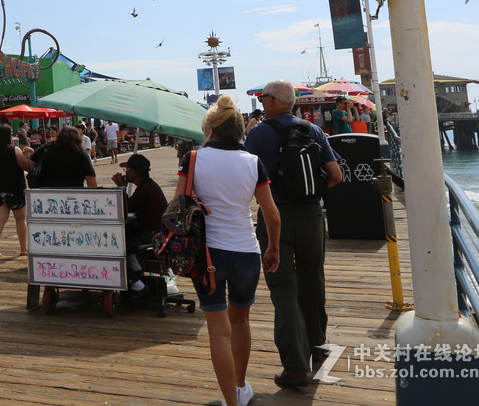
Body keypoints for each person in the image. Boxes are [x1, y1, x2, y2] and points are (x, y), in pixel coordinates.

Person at [182, 94, 281, 406]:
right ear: (241, 132)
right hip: (245, 251)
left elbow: (178, 206)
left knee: (218, 331)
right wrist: (273, 249)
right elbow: (272, 215)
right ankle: (239, 386)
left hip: (206, 254)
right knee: (240, 321)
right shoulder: (254, 163)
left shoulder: (193, 160)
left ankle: (231, 401)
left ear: (209, 130)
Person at [246, 79, 344, 389]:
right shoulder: (312, 130)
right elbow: (336, 175)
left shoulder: (259, 133)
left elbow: (245, 178)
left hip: (275, 215)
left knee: (283, 287)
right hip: (312, 214)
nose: (262, 102)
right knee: (312, 276)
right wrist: (312, 192)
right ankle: (317, 342)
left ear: (273, 101)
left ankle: (296, 366)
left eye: (264, 98)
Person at [111, 152, 167, 292]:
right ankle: (138, 273)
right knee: (125, 236)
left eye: (128, 169)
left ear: (135, 171)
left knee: (119, 248)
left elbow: (124, 207)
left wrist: (120, 187)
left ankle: (137, 283)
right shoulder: (147, 186)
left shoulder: (145, 189)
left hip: (153, 233)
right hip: (154, 229)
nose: (126, 172)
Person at [0, 125, 35, 258]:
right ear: (8, 136)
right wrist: (32, 154)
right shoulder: (15, 150)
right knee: (20, 220)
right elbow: (28, 167)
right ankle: (23, 249)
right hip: (15, 189)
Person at [31, 126, 97, 187]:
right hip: (73, 192)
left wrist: (31, 151)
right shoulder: (80, 153)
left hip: (48, 191)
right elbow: (91, 179)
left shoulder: (47, 148)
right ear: (77, 139)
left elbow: (30, 163)